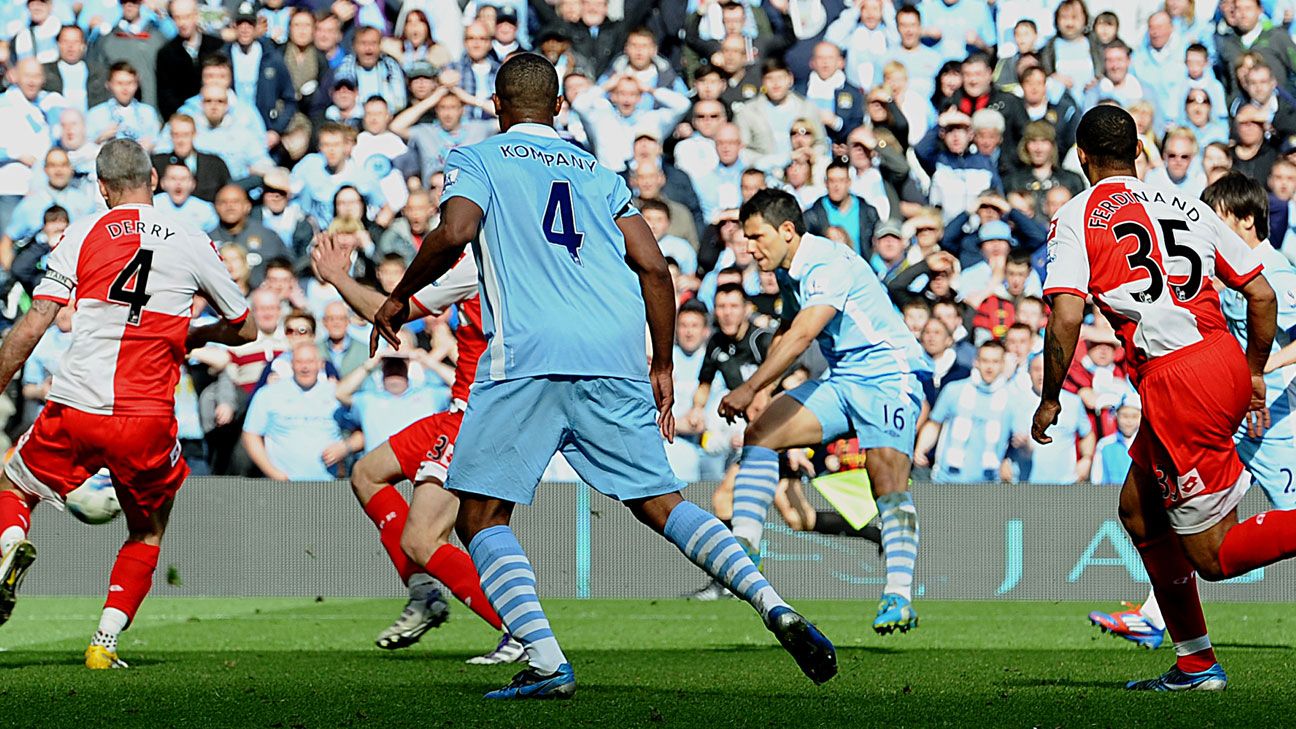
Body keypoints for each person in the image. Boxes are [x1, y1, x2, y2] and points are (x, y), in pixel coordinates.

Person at [369, 53, 836, 699]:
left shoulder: (478, 156)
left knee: (478, 515)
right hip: (615, 357)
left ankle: (546, 659)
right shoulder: (598, 171)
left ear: (498, 108)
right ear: (560, 108)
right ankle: (772, 603)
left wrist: (399, 294)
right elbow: (652, 263)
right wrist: (664, 363)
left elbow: (456, 229)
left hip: (530, 354)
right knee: (662, 503)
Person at [1033, 106, 1296, 692]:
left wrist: (1051, 397)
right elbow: (1260, 293)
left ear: (1081, 157)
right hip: (1222, 359)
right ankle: (1195, 664)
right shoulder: (1187, 206)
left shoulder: (1075, 218)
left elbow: (1066, 314)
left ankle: (1201, 669)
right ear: (1140, 153)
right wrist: (1252, 372)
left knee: (1214, 556)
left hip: (1180, 383)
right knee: (1138, 509)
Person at [0, 138, 255, 669]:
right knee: (148, 529)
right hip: (146, 416)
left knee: (13, 484)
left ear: (101, 188)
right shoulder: (192, 239)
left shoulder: (84, 230)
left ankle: (9, 545)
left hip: (75, 405)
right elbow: (245, 327)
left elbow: (36, 320)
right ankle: (104, 643)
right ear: (154, 181)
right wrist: (191, 333)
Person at [1087, 172, 1296, 650]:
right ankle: (1156, 620)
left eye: (1217, 215)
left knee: (1261, 528)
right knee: (1160, 509)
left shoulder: (1276, 273)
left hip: (1274, 419)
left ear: (1246, 219)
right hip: (1227, 410)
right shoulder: (1221, 269)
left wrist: (1257, 372)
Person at [719, 188, 929, 635]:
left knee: (885, 481)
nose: (749, 247)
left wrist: (751, 386)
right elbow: (786, 330)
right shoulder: (792, 269)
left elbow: (802, 337)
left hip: (889, 375)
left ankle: (899, 594)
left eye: (757, 237)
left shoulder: (827, 263)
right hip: (844, 378)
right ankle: (745, 547)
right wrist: (763, 392)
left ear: (788, 231)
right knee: (762, 432)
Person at [312, 236, 522, 664]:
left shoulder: (483, 257)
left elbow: (391, 311)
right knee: (367, 473)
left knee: (423, 539)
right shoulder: (527, 256)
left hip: (475, 413)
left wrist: (336, 276)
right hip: (465, 407)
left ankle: (519, 630)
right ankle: (425, 593)